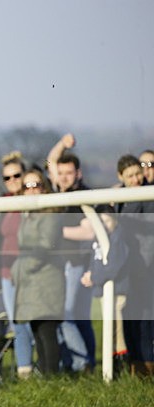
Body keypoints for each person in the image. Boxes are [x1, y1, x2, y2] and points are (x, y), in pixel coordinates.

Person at [47, 133, 96, 373]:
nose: (64, 177)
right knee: (71, 316)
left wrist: (54, 231)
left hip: (77, 264)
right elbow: (51, 160)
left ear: (78, 173)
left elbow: (89, 232)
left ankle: (83, 363)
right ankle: (72, 364)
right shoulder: (56, 191)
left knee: (68, 316)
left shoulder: (85, 195)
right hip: (58, 264)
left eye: (69, 172)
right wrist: (62, 145)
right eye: (61, 172)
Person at [12, 170, 65, 375]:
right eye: (27, 186)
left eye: (36, 185)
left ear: (44, 187)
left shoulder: (50, 214)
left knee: (47, 330)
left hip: (47, 279)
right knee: (37, 329)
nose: (32, 190)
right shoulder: (28, 215)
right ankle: (44, 374)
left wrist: (19, 269)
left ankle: (52, 377)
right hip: (31, 281)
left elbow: (44, 247)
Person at [114, 154, 154, 376]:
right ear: (121, 177)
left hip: (145, 267)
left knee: (145, 318)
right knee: (129, 317)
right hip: (127, 267)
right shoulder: (119, 197)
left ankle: (147, 366)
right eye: (130, 176)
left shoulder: (148, 196)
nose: (136, 179)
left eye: (138, 173)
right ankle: (135, 365)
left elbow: (148, 239)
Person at [0, 151, 35, 378]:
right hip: (6, 271)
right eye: (7, 177)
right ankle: (25, 369)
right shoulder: (3, 202)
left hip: (29, 271)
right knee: (17, 322)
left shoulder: (34, 200)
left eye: (16, 175)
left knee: (34, 323)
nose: (12, 181)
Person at [80, 205, 129, 376]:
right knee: (110, 330)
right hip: (104, 292)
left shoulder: (117, 239)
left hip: (117, 292)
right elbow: (95, 260)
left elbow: (113, 266)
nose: (104, 225)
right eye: (100, 221)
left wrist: (94, 277)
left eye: (107, 220)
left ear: (115, 220)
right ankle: (112, 366)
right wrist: (90, 273)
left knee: (117, 330)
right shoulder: (99, 239)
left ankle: (121, 367)